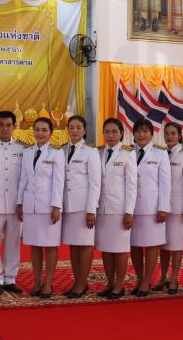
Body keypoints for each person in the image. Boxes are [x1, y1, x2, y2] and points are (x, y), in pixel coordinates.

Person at [17, 117, 64, 299]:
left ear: (51, 132)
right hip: (31, 206)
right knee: (34, 245)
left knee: (50, 245)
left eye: (44, 130)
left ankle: (48, 283)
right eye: (37, 129)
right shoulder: (27, 151)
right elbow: (23, 178)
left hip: (48, 206)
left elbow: (58, 181)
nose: (40, 133)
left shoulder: (56, 153)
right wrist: (20, 203)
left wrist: (56, 206)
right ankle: (37, 281)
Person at [95, 118, 136, 300]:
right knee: (106, 248)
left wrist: (129, 212)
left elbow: (131, 185)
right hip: (102, 209)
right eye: (107, 131)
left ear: (121, 133)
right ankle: (110, 283)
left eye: (114, 132)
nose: (110, 135)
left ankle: (119, 285)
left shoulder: (128, 153)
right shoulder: (98, 152)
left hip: (119, 209)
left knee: (119, 248)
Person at [0, 111, 26, 295]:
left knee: (13, 243)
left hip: (15, 205)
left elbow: (26, 178)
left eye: (9, 125)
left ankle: (10, 278)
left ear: (14, 126)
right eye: (1, 125)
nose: (5, 128)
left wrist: (22, 203)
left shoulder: (22, 149)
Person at [129, 119, 170, 297]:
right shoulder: (127, 151)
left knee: (152, 245)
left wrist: (163, 207)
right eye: (138, 131)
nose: (141, 135)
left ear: (152, 134)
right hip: (131, 207)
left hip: (153, 207)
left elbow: (165, 183)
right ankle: (139, 279)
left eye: (145, 131)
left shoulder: (160, 153)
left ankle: (147, 281)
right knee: (135, 245)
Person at [61, 115, 101, 299]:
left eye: (78, 127)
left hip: (84, 207)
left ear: (84, 130)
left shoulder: (90, 151)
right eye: (71, 127)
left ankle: (81, 283)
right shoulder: (62, 150)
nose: (75, 130)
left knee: (84, 245)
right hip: (68, 205)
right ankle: (79, 281)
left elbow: (95, 182)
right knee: (74, 246)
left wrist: (91, 210)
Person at [154, 122, 183, 294]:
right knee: (162, 245)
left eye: (173, 133)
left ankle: (175, 278)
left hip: (178, 208)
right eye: (167, 133)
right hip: (161, 207)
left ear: (179, 136)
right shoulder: (160, 153)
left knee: (176, 245)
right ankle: (163, 277)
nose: (169, 136)